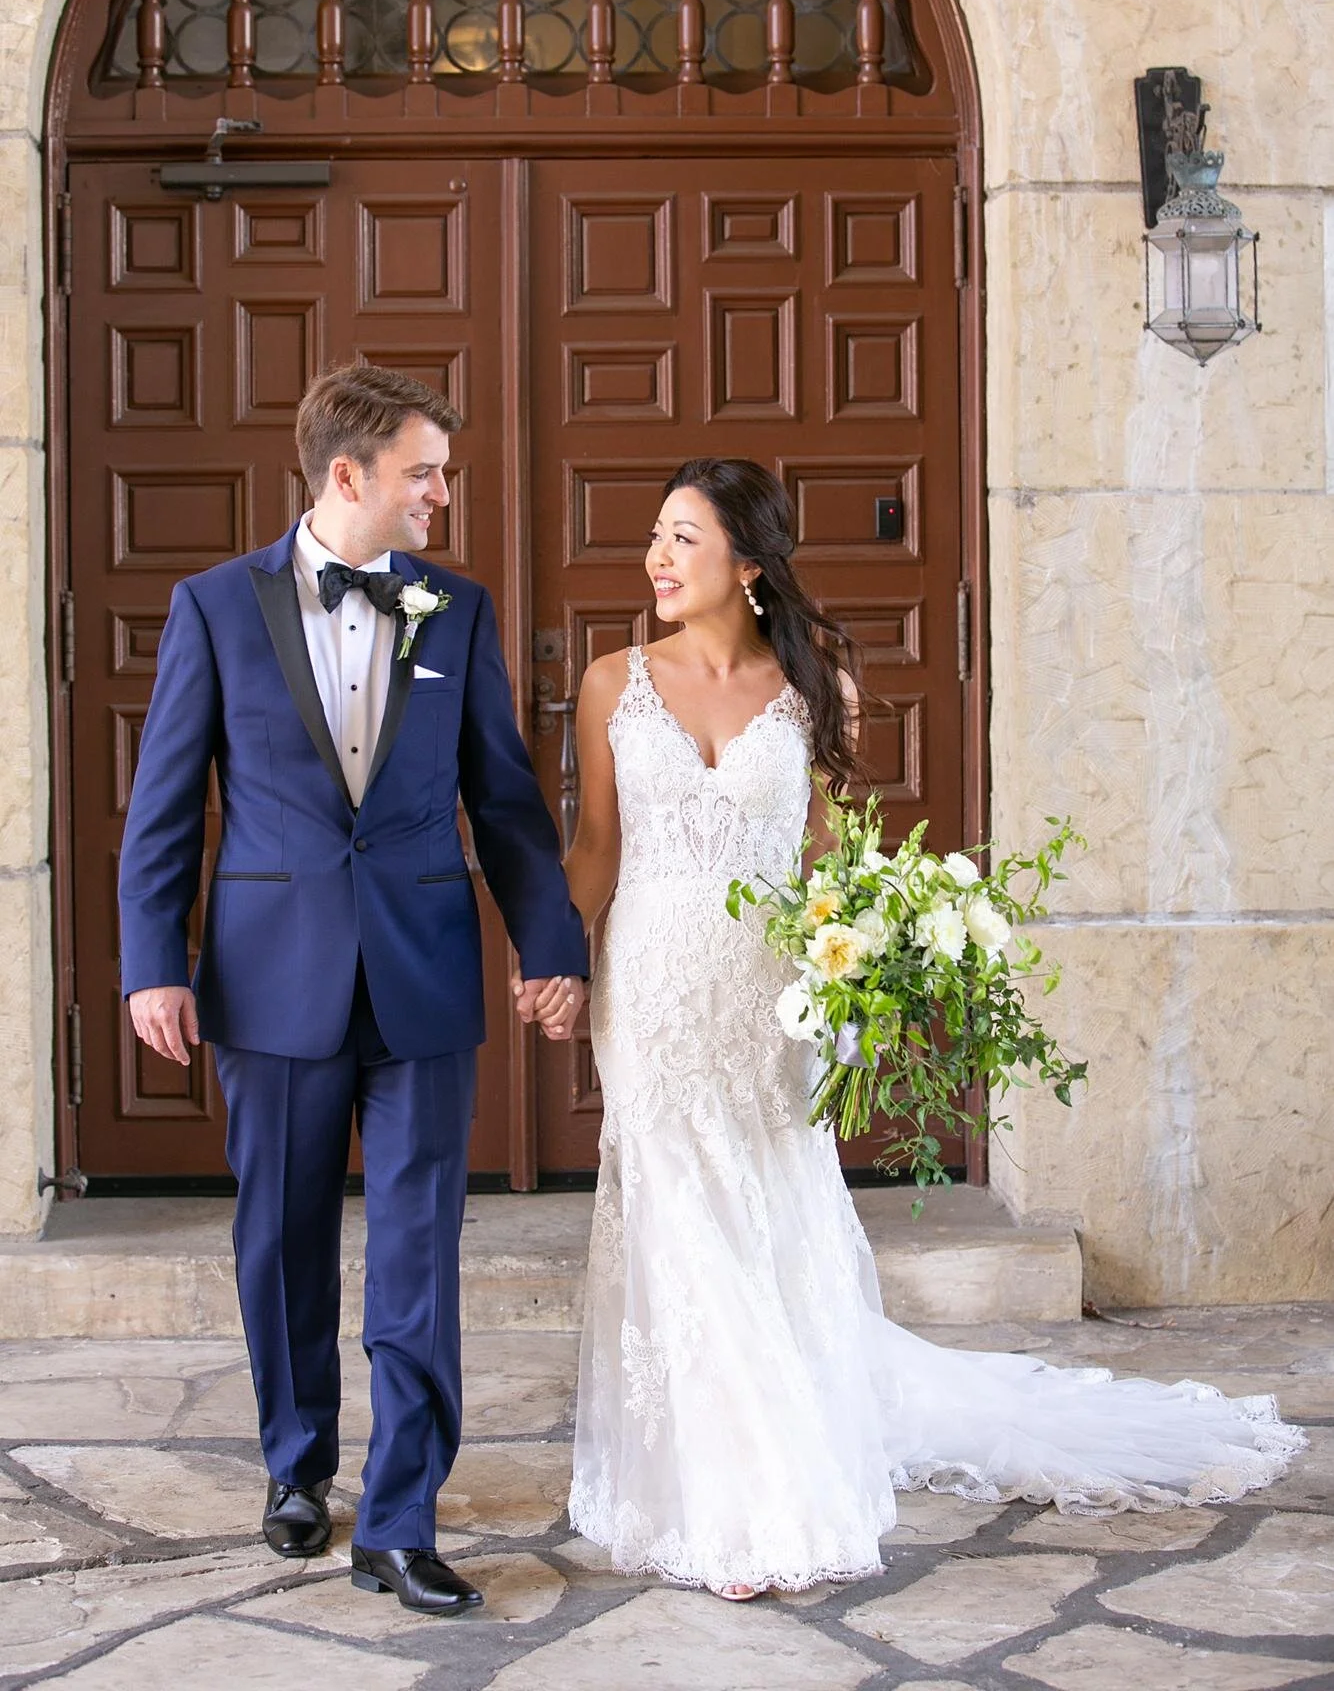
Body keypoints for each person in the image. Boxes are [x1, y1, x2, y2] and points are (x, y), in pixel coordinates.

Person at [556, 455, 1304, 1601]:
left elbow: (830, 860)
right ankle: (736, 1492)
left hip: (768, 990)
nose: (656, 559)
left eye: (682, 539)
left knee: (765, 1209)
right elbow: (599, 846)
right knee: (674, 1210)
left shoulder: (817, 683)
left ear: (747, 564)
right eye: (654, 537)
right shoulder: (614, 682)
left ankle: (772, 1461)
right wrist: (558, 960)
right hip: (651, 985)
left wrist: (864, 968)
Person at [118, 365, 587, 1617]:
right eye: (424, 470)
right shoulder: (215, 605)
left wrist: (550, 940)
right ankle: (295, 1466)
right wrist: (152, 961)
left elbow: (505, 799)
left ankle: (399, 1516)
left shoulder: (459, 607)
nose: (442, 490)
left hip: (423, 972)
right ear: (349, 475)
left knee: (421, 1249)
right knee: (279, 1242)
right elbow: (165, 801)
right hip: (271, 976)